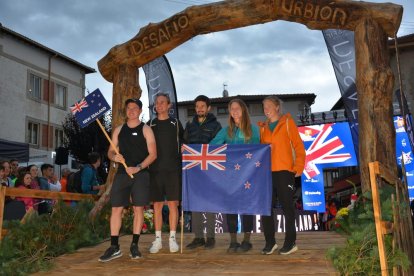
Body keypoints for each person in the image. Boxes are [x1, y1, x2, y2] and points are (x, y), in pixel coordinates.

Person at [99, 98, 156, 262]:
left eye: (134, 108)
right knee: (116, 208)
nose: (131, 110)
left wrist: (138, 167)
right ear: (126, 111)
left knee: (139, 209)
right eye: (128, 108)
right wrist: (114, 157)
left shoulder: (146, 129)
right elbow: (110, 152)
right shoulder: (118, 130)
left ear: (140, 110)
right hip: (122, 174)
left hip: (140, 173)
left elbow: (153, 154)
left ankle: (134, 245)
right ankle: (114, 246)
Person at [210, 98, 260, 253]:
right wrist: (194, 151)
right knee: (230, 208)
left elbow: (260, 150)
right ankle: (233, 241)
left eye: (237, 108)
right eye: (232, 109)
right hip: (230, 176)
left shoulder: (254, 129)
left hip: (248, 175)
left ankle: (246, 240)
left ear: (244, 110)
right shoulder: (226, 131)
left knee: (247, 208)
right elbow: (212, 146)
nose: (235, 111)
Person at [258, 95, 305, 255]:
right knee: (266, 207)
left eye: (269, 106)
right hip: (267, 173)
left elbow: (299, 146)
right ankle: (270, 242)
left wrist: (298, 166)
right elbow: (261, 152)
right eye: (264, 107)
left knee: (287, 207)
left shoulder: (287, 123)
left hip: (285, 171)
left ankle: (291, 242)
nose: (266, 110)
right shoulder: (263, 127)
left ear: (277, 107)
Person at [184, 95, 222, 250]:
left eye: (202, 106)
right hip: (194, 170)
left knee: (210, 204)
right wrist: (183, 147)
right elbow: (184, 143)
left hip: (210, 170)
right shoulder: (190, 125)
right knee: (196, 204)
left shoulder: (216, 125)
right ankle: (198, 237)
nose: (199, 109)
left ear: (208, 108)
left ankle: (211, 238)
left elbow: (219, 146)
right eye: (197, 106)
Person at [148, 93, 184, 254]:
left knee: (172, 204)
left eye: (163, 102)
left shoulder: (176, 123)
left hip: (173, 170)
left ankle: (172, 239)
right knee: (156, 205)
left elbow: (185, 144)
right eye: (157, 103)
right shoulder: (149, 124)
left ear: (169, 105)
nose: (159, 105)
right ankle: (157, 240)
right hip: (154, 170)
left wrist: (185, 148)